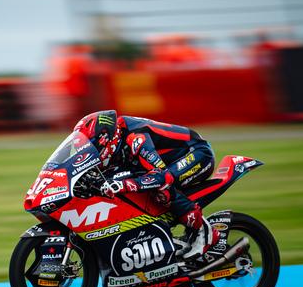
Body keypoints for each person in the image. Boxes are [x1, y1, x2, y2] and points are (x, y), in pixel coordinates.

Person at [73, 109, 219, 260]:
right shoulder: (118, 137)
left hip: (197, 154)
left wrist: (124, 185)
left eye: (92, 147)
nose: (90, 153)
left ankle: (203, 231)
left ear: (106, 138)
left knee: (161, 188)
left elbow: (160, 177)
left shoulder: (136, 137)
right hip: (168, 162)